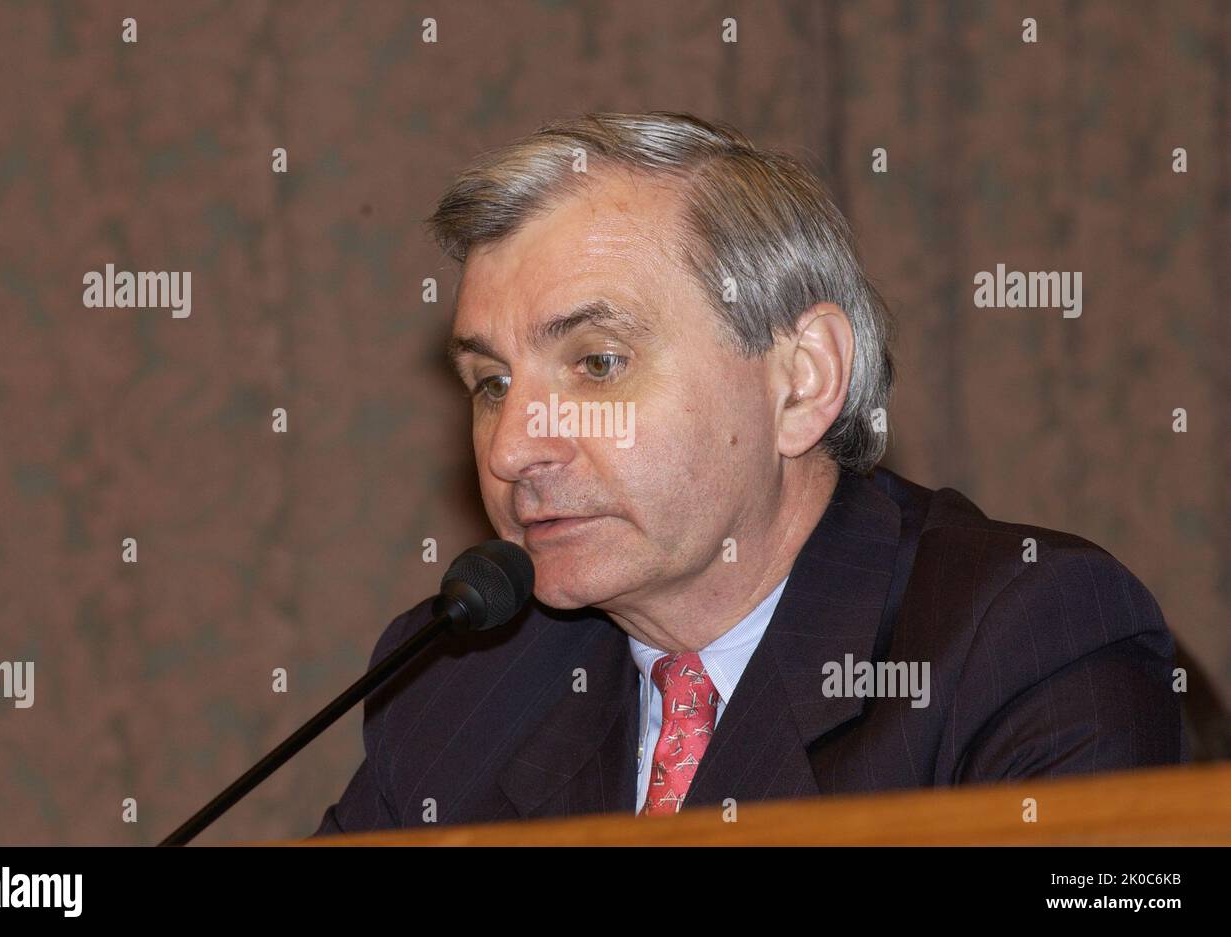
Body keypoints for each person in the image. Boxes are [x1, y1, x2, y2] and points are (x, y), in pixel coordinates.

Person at [314, 111, 1184, 834]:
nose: (511, 449)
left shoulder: (1025, 640)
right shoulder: (463, 682)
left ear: (800, 381)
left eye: (598, 364)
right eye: (491, 384)